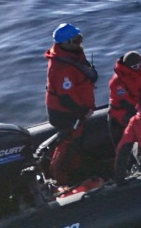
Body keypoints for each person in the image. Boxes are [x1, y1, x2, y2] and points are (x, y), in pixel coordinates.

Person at [41, 23, 99, 183]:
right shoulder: (61, 68)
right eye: (76, 40)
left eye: (80, 38)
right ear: (66, 43)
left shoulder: (72, 55)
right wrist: (82, 111)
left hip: (75, 108)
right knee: (69, 141)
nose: (80, 43)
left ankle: (74, 169)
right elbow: (66, 97)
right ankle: (58, 175)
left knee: (77, 140)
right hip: (66, 112)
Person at [108, 50, 141, 136]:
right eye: (137, 65)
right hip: (123, 112)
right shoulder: (117, 82)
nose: (140, 66)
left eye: (140, 64)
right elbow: (125, 102)